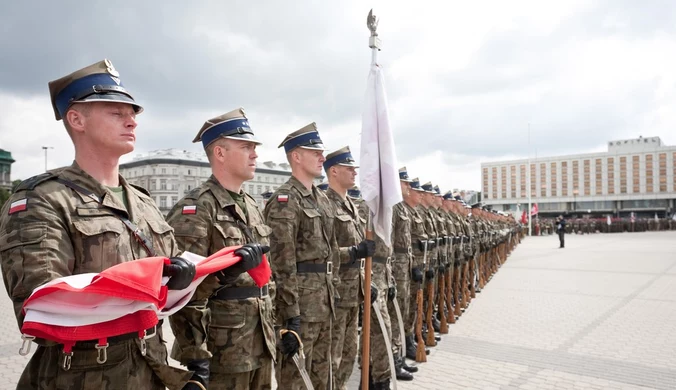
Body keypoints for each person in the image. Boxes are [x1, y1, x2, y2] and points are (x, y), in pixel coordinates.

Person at [0, 59, 195, 389]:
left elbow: (175, 283)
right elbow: (42, 309)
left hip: (150, 372)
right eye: (116, 112)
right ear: (77, 119)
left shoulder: (143, 202)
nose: (132, 120)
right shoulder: (41, 199)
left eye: (132, 112)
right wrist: (147, 282)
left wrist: (209, 276)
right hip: (77, 377)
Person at [166, 108, 274, 390]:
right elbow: (182, 289)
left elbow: (265, 277)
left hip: (260, 340)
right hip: (221, 349)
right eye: (246, 147)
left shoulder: (252, 205)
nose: (254, 154)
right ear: (220, 153)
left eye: (254, 147)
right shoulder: (197, 208)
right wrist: (196, 356)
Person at [263, 123, 339, 390]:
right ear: (296, 156)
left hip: (325, 302)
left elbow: (331, 252)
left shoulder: (322, 198)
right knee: (295, 379)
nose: (322, 157)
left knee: (322, 374)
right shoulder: (286, 200)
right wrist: (290, 314)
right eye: (315, 151)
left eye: (322, 151)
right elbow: (281, 262)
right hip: (301, 309)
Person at [322, 147, 376, 389]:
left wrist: (367, 282)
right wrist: (353, 252)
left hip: (354, 292)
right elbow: (322, 253)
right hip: (336, 294)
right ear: (333, 171)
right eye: (349, 168)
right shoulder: (325, 205)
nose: (355, 172)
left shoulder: (352, 205)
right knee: (331, 357)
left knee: (349, 354)